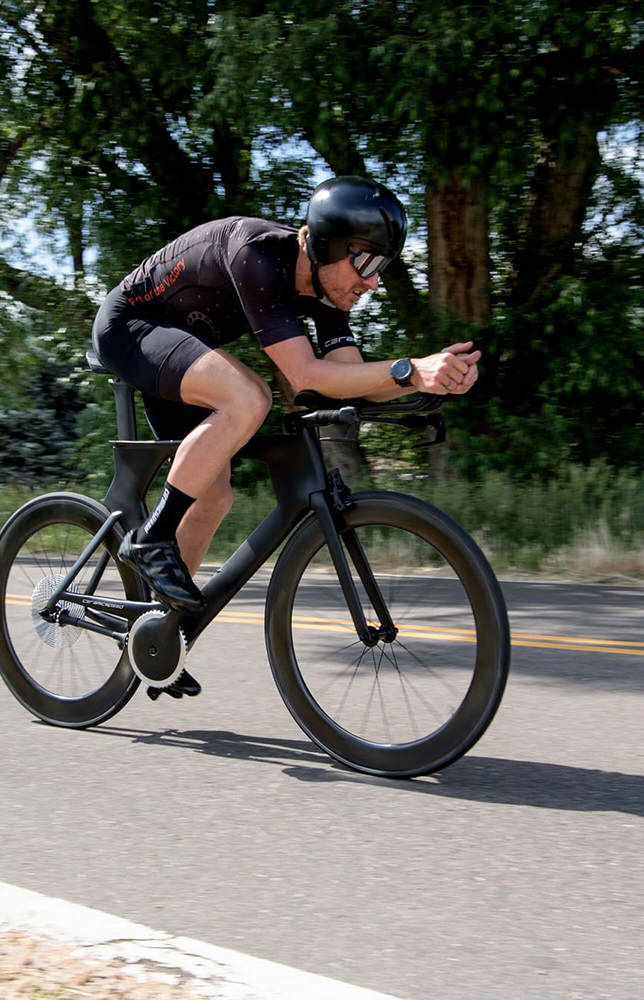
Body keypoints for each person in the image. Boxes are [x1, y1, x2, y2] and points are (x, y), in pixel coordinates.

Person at [91, 176, 480, 695]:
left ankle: (161, 635)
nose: (372, 283)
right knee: (250, 397)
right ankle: (153, 536)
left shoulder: (324, 294)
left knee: (214, 496)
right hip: (129, 329)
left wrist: (434, 380)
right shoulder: (259, 257)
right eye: (366, 264)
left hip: (181, 346)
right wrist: (410, 368)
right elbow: (307, 375)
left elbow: (352, 380)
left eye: (382, 269)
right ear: (327, 246)